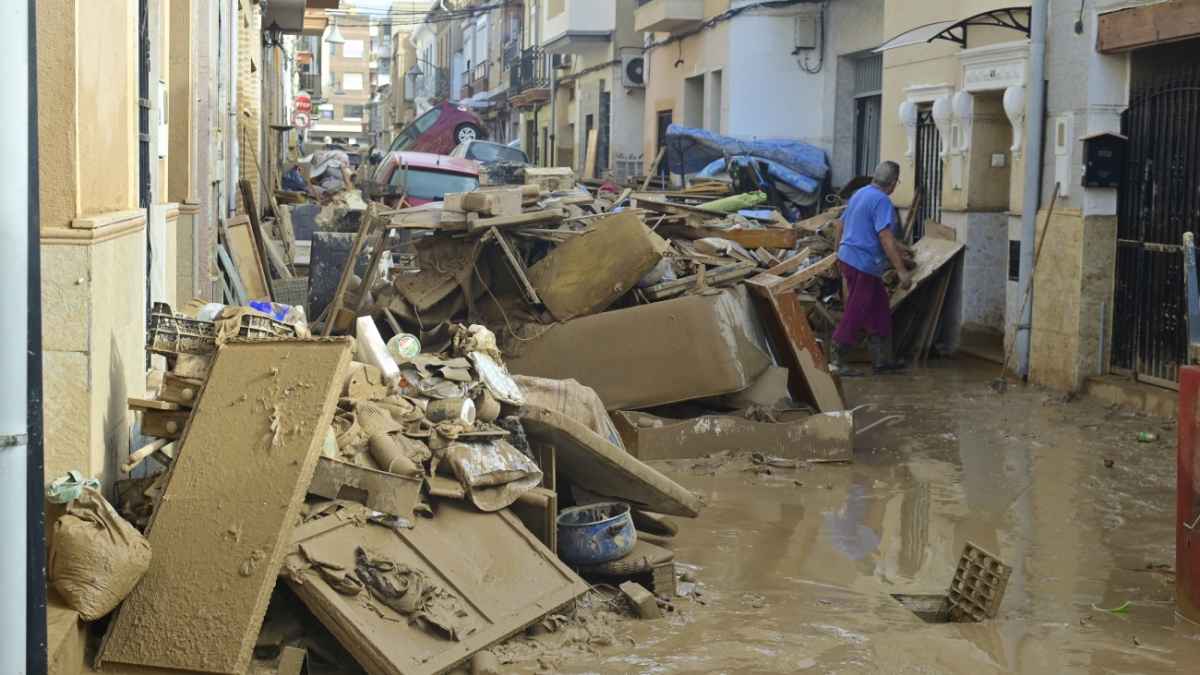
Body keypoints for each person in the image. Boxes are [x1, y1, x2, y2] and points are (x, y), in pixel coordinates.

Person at [830, 160, 912, 377]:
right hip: (862, 263)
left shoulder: (859, 193)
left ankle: (881, 360)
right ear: (893, 183)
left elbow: (840, 225)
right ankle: (837, 360)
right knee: (857, 310)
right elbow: (885, 236)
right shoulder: (882, 200)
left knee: (879, 308)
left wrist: (837, 255)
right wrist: (901, 270)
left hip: (853, 259)